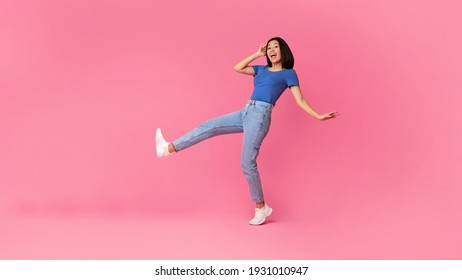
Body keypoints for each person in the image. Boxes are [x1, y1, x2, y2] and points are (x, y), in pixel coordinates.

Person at [155, 37, 338, 225]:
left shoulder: (289, 73)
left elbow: (300, 100)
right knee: (208, 126)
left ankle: (261, 207)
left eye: (276, 46)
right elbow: (238, 67)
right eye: (269, 48)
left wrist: (317, 115)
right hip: (246, 112)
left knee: (247, 161)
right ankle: (169, 148)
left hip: (260, 116)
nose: (272, 50)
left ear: (283, 50)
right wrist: (257, 53)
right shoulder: (261, 69)